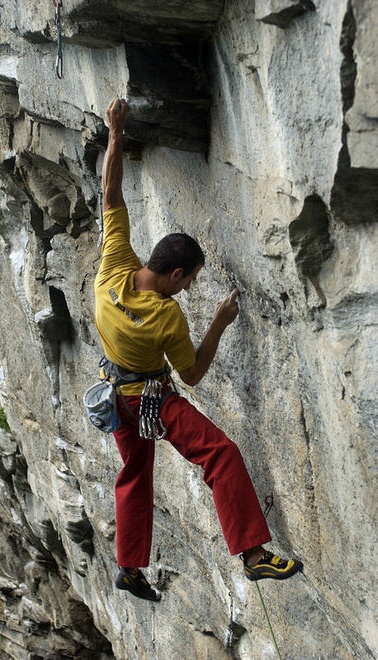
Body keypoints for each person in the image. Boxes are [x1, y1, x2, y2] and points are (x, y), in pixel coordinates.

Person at [94, 98, 303, 602]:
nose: (188, 289)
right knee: (221, 454)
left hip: (112, 394)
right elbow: (191, 375)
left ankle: (128, 567)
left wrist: (115, 134)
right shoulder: (167, 315)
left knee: (134, 474)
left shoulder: (113, 267)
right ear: (176, 274)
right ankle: (254, 556)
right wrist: (218, 322)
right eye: (189, 282)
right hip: (150, 401)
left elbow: (110, 192)